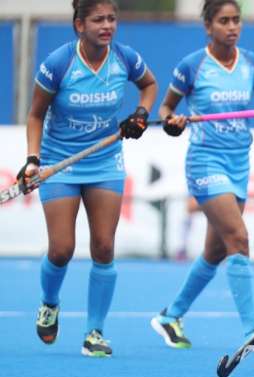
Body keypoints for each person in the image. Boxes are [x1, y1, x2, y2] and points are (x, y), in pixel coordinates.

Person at [18, 0, 157, 357]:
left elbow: (149, 85)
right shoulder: (59, 64)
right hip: (60, 162)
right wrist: (33, 160)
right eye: (98, 20)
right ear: (79, 25)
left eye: (112, 18)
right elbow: (35, 115)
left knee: (104, 247)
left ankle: (95, 331)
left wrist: (140, 114)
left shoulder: (124, 58)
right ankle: (50, 302)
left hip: (105, 161)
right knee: (62, 249)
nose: (107, 25)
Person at [150, 0, 254, 350]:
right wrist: (172, 119)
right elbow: (166, 107)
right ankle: (252, 330)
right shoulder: (192, 66)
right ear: (208, 27)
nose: (232, 27)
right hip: (205, 162)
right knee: (239, 239)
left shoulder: (252, 63)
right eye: (224, 21)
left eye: (236, 20)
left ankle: (170, 316)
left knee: (215, 251)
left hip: (238, 162)